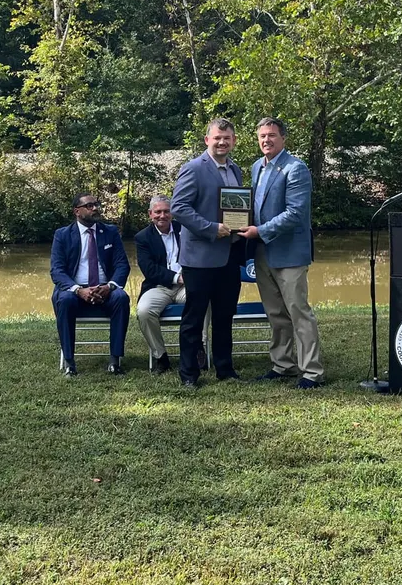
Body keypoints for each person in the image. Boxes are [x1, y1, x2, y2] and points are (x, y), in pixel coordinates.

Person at [240, 118, 324, 389]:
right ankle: (283, 365)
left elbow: (295, 214)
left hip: (289, 253)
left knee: (298, 311)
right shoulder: (256, 167)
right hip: (263, 252)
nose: (266, 140)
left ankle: (311, 371)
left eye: (272, 135)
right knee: (275, 313)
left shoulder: (295, 169)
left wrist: (259, 231)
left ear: (283, 139)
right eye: (262, 135)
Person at [170, 118, 245, 388]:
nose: (222, 142)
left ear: (233, 140)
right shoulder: (192, 168)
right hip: (200, 259)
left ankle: (225, 368)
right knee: (194, 318)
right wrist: (212, 229)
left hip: (228, 256)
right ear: (207, 140)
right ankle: (189, 374)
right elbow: (178, 208)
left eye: (227, 138)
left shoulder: (236, 170)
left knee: (225, 315)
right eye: (217, 138)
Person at [50, 193, 131, 377]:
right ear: (77, 211)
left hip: (104, 289)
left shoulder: (110, 232)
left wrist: (109, 286)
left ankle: (115, 361)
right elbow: (57, 270)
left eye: (96, 204)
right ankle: (70, 363)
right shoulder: (62, 235)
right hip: (75, 290)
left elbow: (122, 265)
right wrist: (78, 290)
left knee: (121, 297)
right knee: (65, 299)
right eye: (89, 206)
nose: (95, 208)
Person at [134, 195, 192, 375]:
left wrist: (189, 277)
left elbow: (198, 255)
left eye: (166, 211)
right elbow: (149, 269)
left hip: (187, 287)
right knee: (144, 311)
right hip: (158, 287)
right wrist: (177, 278)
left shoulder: (185, 230)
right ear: (150, 214)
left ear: (172, 213)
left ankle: (198, 349)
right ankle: (161, 357)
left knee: (202, 298)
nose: (162, 215)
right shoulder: (142, 237)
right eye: (158, 212)